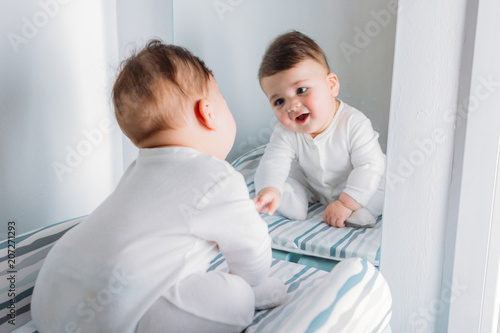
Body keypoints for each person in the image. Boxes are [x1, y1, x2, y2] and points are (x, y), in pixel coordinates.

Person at [31, 40, 286, 333]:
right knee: (237, 296)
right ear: (208, 113)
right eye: (223, 99)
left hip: (49, 301)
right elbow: (252, 251)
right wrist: (251, 284)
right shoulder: (219, 175)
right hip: (114, 316)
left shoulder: (135, 172)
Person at [253, 31, 386, 228]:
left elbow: (369, 166)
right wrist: (270, 188)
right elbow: (274, 161)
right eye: (279, 101)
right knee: (275, 173)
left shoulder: (353, 123)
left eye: (301, 90)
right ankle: (285, 199)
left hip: (363, 183)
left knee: (384, 186)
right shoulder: (286, 131)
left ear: (331, 85)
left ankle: (361, 211)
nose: (291, 106)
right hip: (316, 187)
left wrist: (345, 203)